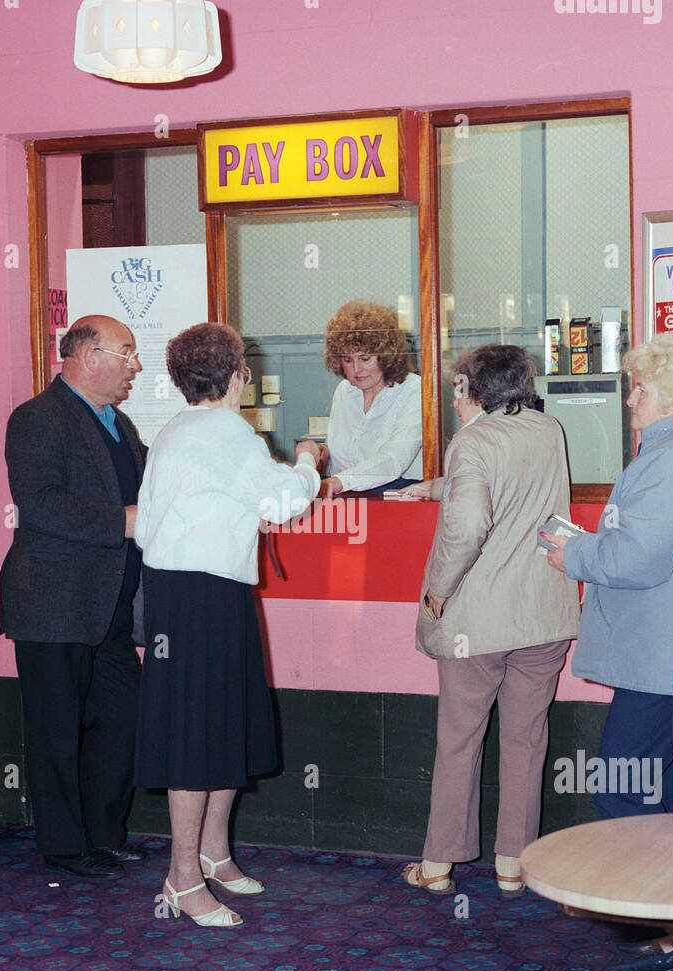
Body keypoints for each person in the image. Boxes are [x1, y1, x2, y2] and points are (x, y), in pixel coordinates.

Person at [542, 332, 673, 971]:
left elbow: (637, 558)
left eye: (642, 386)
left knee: (624, 785)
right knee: (671, 792)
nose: (631, 397)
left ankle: (664, 913)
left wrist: (570, 553)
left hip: (666, 663)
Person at [134, 322, 321, 928]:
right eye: (244, 367)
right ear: (236, 375)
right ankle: (182, 876)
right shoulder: (228, 431)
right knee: (197, 733)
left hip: (191, 594)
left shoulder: (177, 430)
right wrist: (307, 461)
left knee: (223, 724)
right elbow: (283, 503)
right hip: (200, 596)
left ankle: (213, 853)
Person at [401, 345, 579, 898]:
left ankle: (438, 865)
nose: (455, 397)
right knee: (527, 740)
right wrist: (437, 486)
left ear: (472, 389)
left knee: (459, 740)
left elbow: (471, 523)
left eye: (458, 386)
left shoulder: (472, 440)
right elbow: (521, 493)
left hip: (475, 622)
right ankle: (513, 865)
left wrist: (436, 594)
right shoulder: (549, 429)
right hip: (545, 613)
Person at [0, 314, 150, 881]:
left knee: (124, 721)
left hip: (108, 609)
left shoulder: (121, 423)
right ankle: (65, 847)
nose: (135, 366)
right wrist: (123, 522)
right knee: (56, 734)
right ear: (90, 356)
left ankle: (103, 836)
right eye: (127, 353)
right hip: (52, 606)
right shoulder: (37, 418)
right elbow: (39, 504)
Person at [319, 299, 423, 495]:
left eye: (365, 359)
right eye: (348, 360)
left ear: (386, 355)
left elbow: (394, 459)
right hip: (348, 497)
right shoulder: (344, 391)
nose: (357, 369)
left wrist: (338, 483)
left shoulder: (414, 390)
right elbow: (339, 455)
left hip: (401, 499)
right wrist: (320, 453)